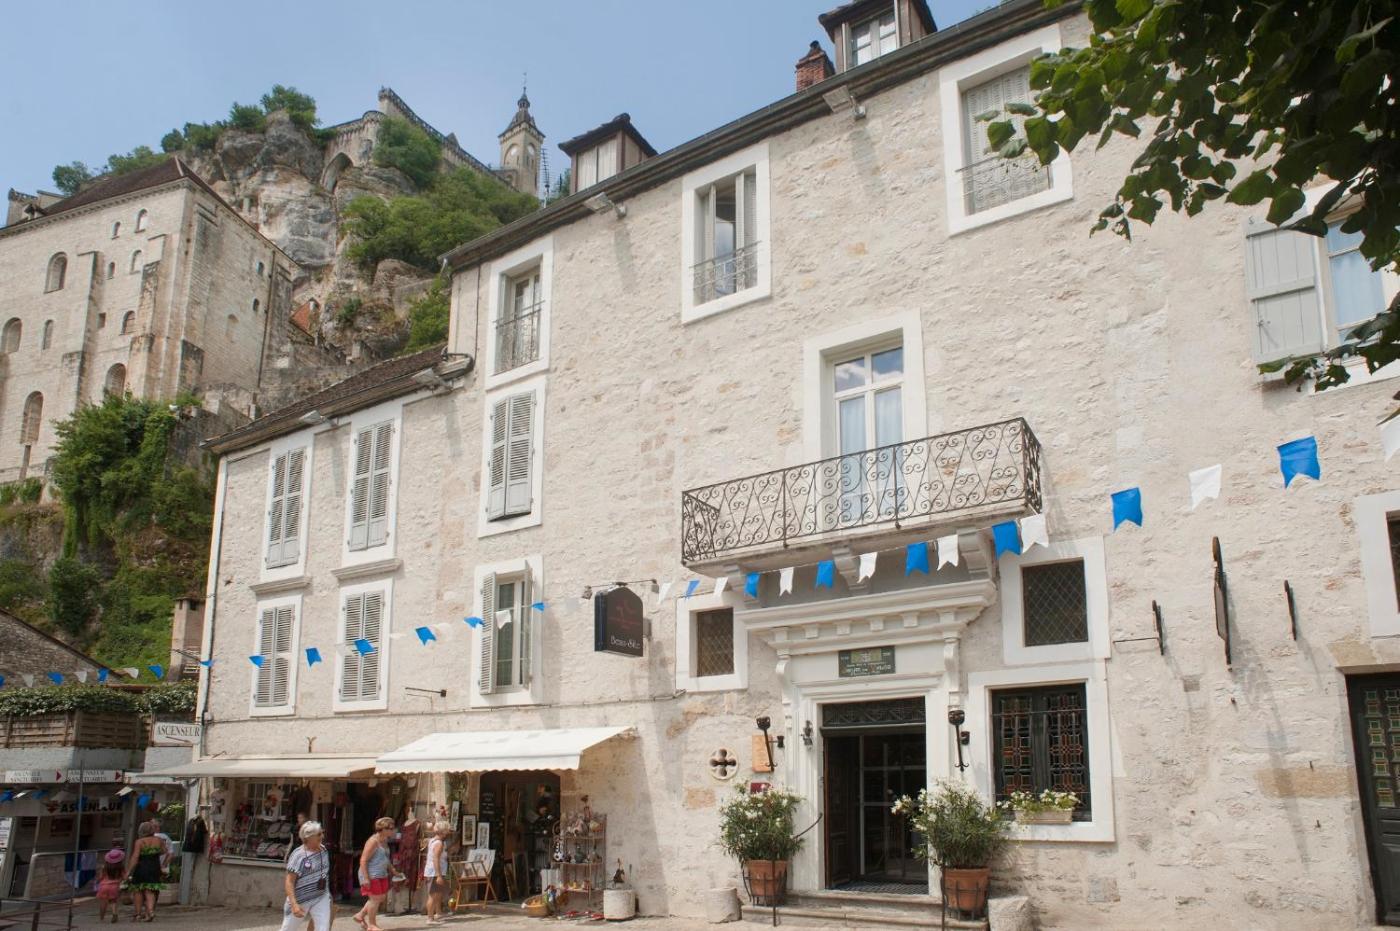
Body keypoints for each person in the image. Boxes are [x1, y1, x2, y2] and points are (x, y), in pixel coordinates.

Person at [279, 820, 332, 931]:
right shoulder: (298, 855)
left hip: (320, 897)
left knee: (323, 928)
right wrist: (294, 904)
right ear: (308, 837)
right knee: (288, 929)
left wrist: (328, 895)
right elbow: (289, 882)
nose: (322, 836)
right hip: (300, 899)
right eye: (319, 834)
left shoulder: (324, 850)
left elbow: (324, 875)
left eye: (322, 833)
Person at [352, 817, 394, 931]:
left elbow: (385, 858)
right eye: (390, 828)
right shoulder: (373, 841)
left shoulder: (384, 841)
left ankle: (360, 915)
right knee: (375, 899)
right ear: (382, 829)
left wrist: (393, 870)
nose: (392, 830)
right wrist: (366, 878)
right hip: (371, 874)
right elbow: (363, 860)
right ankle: (372, 925)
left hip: (381, 874)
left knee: (380, 898)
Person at [124, 822, 164, 922]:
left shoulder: (139, 842)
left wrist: (128, 871)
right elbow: (164, 851)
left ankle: (138, 914)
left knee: (138, 890)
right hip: (155, 867)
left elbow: (135, 857)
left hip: (142, 867)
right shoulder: (159, 840)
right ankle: (150, 911)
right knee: (150, 890)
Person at [422, 821, 452, 925]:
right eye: (447, 830)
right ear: (443, 831)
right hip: (434, 872)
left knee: (438, 893)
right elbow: (436, 859)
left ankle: (438, 912)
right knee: (433, 895)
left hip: (434, 871)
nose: (448, 832)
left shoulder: (433, 840)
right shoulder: (439, 843)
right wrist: (439, 875)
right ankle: (430, 918)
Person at [96, 848, 124, 924]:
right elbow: (124, 877)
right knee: (113, 901)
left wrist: (98, 880)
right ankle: (114, 913)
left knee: (103, 902)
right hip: (114, 886)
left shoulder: (104, 867)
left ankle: (101, 917)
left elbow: (101, 877)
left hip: (104, 886)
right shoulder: (120, 868)